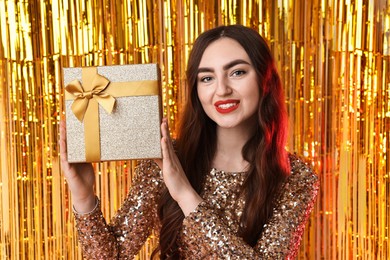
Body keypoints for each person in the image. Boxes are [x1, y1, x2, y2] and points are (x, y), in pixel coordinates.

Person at [59, 24, 319, 259]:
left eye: (237, 72)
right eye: (207, 78)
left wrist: (184, 193)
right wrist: (83, 196)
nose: (222, 89)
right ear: (196, 90)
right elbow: (111, 257)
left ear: (266, 79)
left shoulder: (296, 177)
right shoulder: (164, 158)